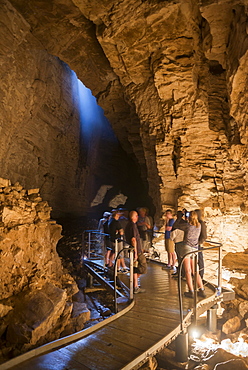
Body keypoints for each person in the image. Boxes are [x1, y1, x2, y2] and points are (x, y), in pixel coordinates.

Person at [180, 211, 206, 298]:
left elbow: (177, 225)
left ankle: (191, 291)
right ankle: (201, 290)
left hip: (187, 248)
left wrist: (181, 217)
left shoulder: (187, 226)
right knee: (195, 271)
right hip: (195, 249)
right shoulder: (199, 226)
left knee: (188, 271)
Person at [125, 211, 147, 294]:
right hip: (135, 250)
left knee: (135, 268)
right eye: (137, 216)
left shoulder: (128, 225)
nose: (138, 217)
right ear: (134, 217)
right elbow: (133, 239)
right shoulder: (133, 226)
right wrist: (136, 252)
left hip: (132, 250)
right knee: (143, 267)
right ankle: (135, 284)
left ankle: (135, 285)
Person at [170, 210, 189, 277]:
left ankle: (181, 273)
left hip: (178, 242)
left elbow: (172, 235)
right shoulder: (186, 223)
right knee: (184, 259)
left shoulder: (176, 224)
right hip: (185, 242)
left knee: (180, 258)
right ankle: (183, 273)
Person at [195, 209, 207, 279]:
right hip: (195, 244)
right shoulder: (197, 222)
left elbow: (204, 236)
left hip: (198, 244)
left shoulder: (201, 223)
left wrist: (199, 242)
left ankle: (201, 276)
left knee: (200, 260)